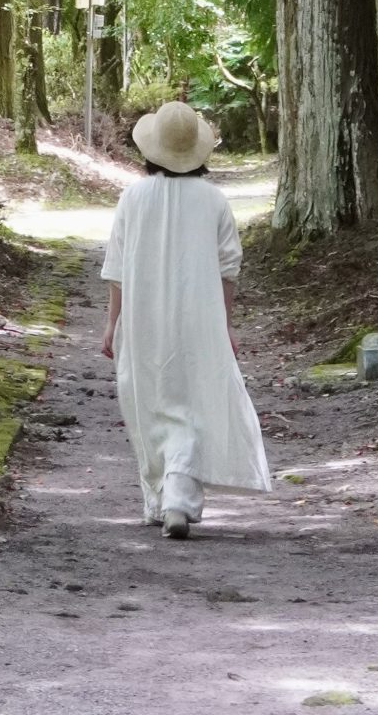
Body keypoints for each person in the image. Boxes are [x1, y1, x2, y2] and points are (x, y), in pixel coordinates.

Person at [99, 100, 272, 538]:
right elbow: (227, 269)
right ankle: (175, 496)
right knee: (193, 400)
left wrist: (111, 323)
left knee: (148, 400)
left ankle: (163, 495)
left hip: (142, 316)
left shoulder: (133, 197)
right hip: (200, 314)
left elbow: (117, 268)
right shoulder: (213, 200)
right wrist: (227, 324)